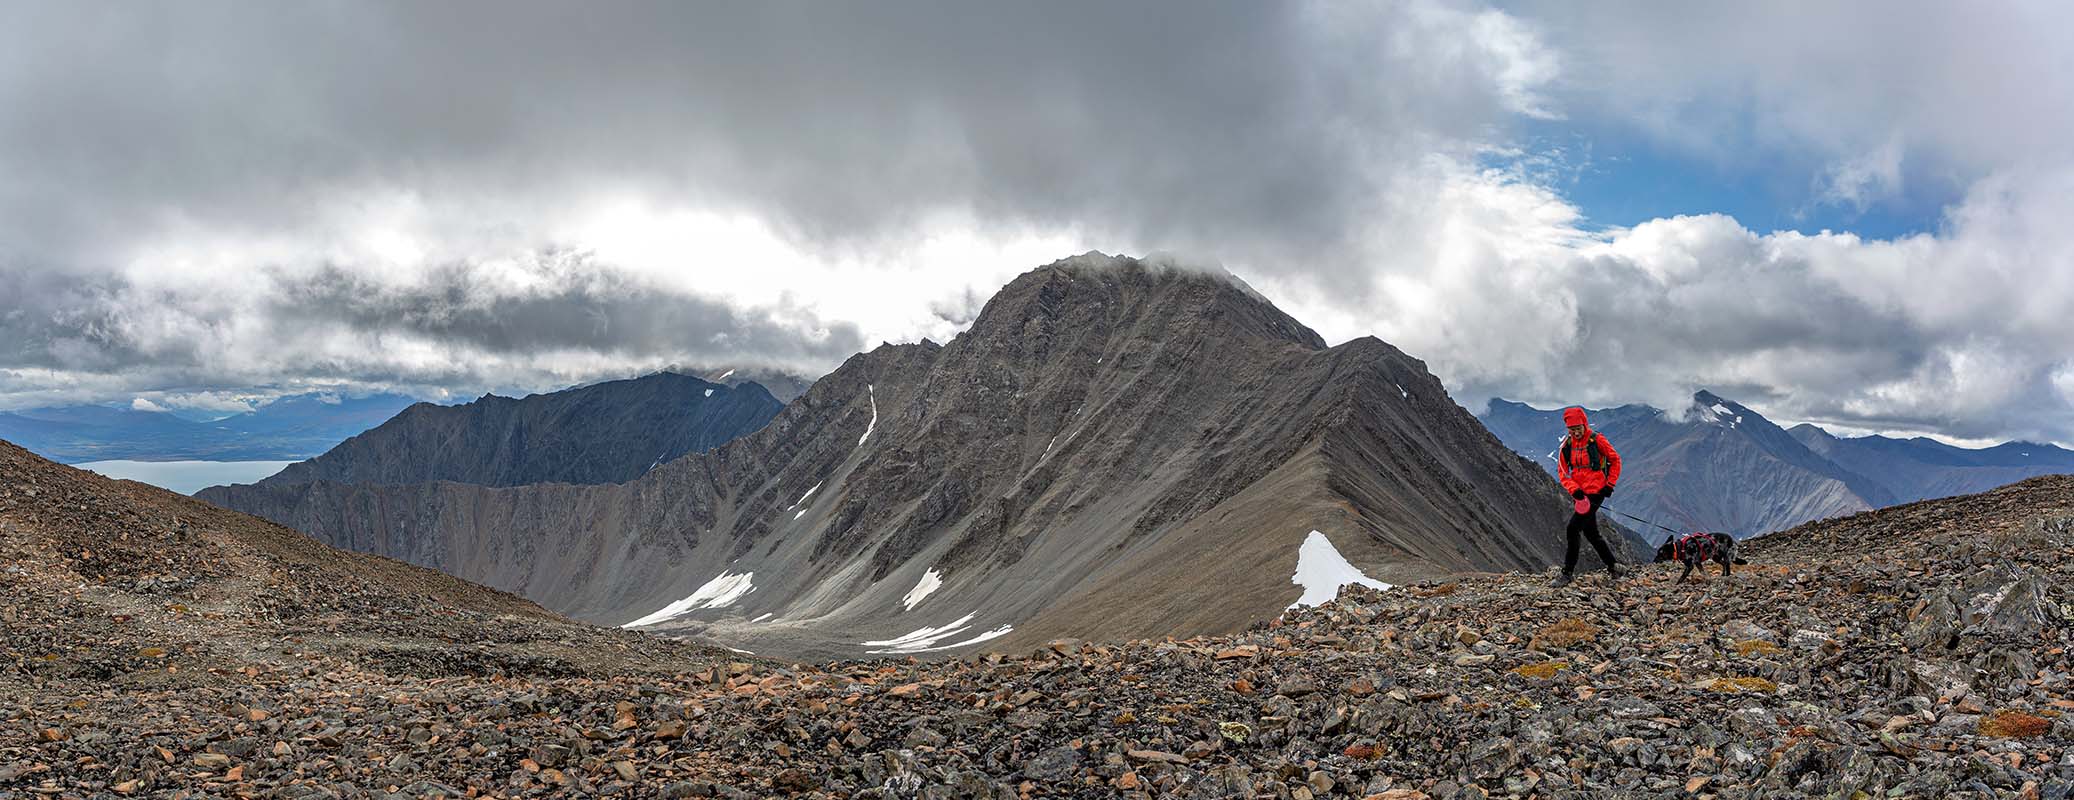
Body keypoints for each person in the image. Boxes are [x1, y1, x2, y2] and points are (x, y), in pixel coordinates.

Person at [1552, 406, 1622, 587]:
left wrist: (1610, 484)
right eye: (1571, 429)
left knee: (1573, 528)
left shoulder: (1596, 440)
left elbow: (1615, 460)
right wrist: (1573, 489)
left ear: (1584, 424)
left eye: (1578, 428)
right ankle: (1614, 566)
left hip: (1596, 491)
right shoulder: (1566, 445)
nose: (1575, 432)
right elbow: (1562, 471)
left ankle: (1567, 573)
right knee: (1591, 533)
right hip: (1580, 494)